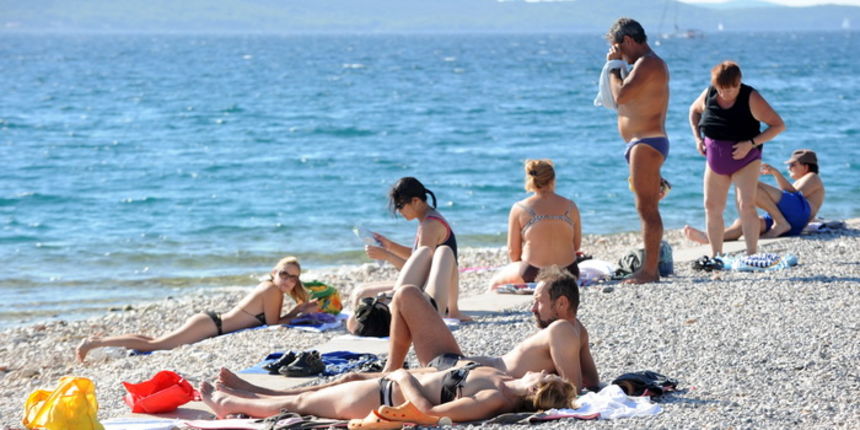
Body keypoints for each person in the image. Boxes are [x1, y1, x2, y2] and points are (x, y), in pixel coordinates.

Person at [385, 266, 598, 393]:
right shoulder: (577, 331)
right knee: (405, 295)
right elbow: (592, 382)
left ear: (561, 303)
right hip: (461, 366)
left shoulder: (561, 329)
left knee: (406, 294)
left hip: (460, 374)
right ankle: (390, 371)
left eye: (538, 302)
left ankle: (389, 371)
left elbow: (574, 390)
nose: (532, 309)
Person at [75, 256, 319, 362]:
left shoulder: (271, 288)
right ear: (274, 273)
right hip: (210, 326)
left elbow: (271, 321)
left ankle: (100, 340)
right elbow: (273, 324)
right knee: (156, 345)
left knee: (154, 341)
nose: (288, 280)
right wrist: (299, 311)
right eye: (284, 274)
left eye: (293, 277)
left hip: (210, 323)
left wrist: (299, 308)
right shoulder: (272, 291)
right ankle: (93, 343)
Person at [201, 365, 573, 421]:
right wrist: (389, 372)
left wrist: (402, 375)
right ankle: (252, 389)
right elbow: (441, 374)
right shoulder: (502, 378)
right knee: (338, 382)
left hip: (386, 397)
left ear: (538, 386)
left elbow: (429, 413)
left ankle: (230, 404)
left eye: (546, 374)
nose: (543, 368)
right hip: (386, 383)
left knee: (301, 404)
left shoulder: (496, 398)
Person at [688, 61, 786, 257]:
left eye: (731, 89)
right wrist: (698, 138)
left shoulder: (751, 97)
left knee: (745, 204)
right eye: (721, 89)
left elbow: (777, 125)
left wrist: (750, 143)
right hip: (715, 161)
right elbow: (694, 112)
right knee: (711, 206)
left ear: (738, 83)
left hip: (746, 159)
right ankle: (717, 255)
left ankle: (751, 254)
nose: (725, 93)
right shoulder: (709, 94)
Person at [348, 177, 468, 323]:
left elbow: (420, 273)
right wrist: (389, 246)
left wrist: (387, 256)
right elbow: (417, 258)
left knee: (361, 293)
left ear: (416, 201)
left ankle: (362, 326)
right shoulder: (429, 219)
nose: (399, 211)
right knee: (361, 289)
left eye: (400, 206)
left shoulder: (429, 226)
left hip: (431, 295)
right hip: (432, 290)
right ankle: (363, 324)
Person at [605, 17, 670, 284]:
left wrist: (612, 67)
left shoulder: (647, 63)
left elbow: (621, 96)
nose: (617, 52)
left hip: (647, 143)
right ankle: (650, 267)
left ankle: (650, 271)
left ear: (629, 41)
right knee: (647, 206)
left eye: (618, 46)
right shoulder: (644, 65)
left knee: (647, 209)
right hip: (642, 144)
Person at [685, 149, 825, 243]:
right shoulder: (802, 180)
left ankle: (780, 222)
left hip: (798, 214)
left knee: (750, 184)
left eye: (793, 165)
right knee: (745, 224)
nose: (789, 168)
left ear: (806, 167)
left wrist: (776, 173)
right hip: (792, 220)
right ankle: (709, 238)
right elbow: (788, 196)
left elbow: (793, 194)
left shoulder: (813, 177)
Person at [488, 160, 582, 290]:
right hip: (569, 272)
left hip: (533, 273)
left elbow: (513, 253)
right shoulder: (571, 206)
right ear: (553, 179)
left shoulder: (520, 208)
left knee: (494, 284)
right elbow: (576, 246)